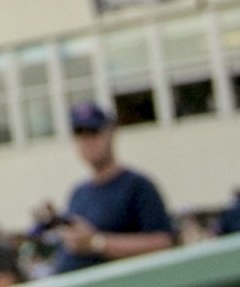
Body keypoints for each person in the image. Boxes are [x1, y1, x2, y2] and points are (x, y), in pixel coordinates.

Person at [49, 103, 177, 270]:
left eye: (93, 133)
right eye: (80, 135)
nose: (87, 142)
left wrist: (97, 242)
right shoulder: (78, 193)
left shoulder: (137, 186)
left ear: (111, 134)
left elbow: (163, 243)